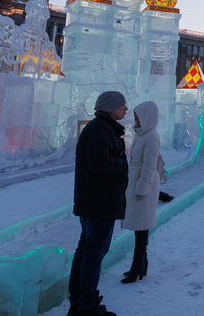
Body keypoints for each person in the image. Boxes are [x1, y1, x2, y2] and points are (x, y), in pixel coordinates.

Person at [69, 91, 129, 316]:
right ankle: (86, 305)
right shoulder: (101, 129)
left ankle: (80, 301)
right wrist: (122, 164)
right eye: (122, 105)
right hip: (99, 202)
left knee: (87, 251)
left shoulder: (101, 128)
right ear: (111, 107)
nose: (126, 109)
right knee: (93, 254)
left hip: (96, 201)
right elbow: (99, 163)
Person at [121, 101, 166, 284]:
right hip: (135, 183)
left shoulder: (151, 137)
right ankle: (141, 265)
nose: (135, 119)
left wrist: (141, 187)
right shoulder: (142, 135)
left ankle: (136, 267)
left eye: (138, 116)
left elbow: (149, 166)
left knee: (141, 228)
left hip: (143, 186)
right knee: (139, 228)